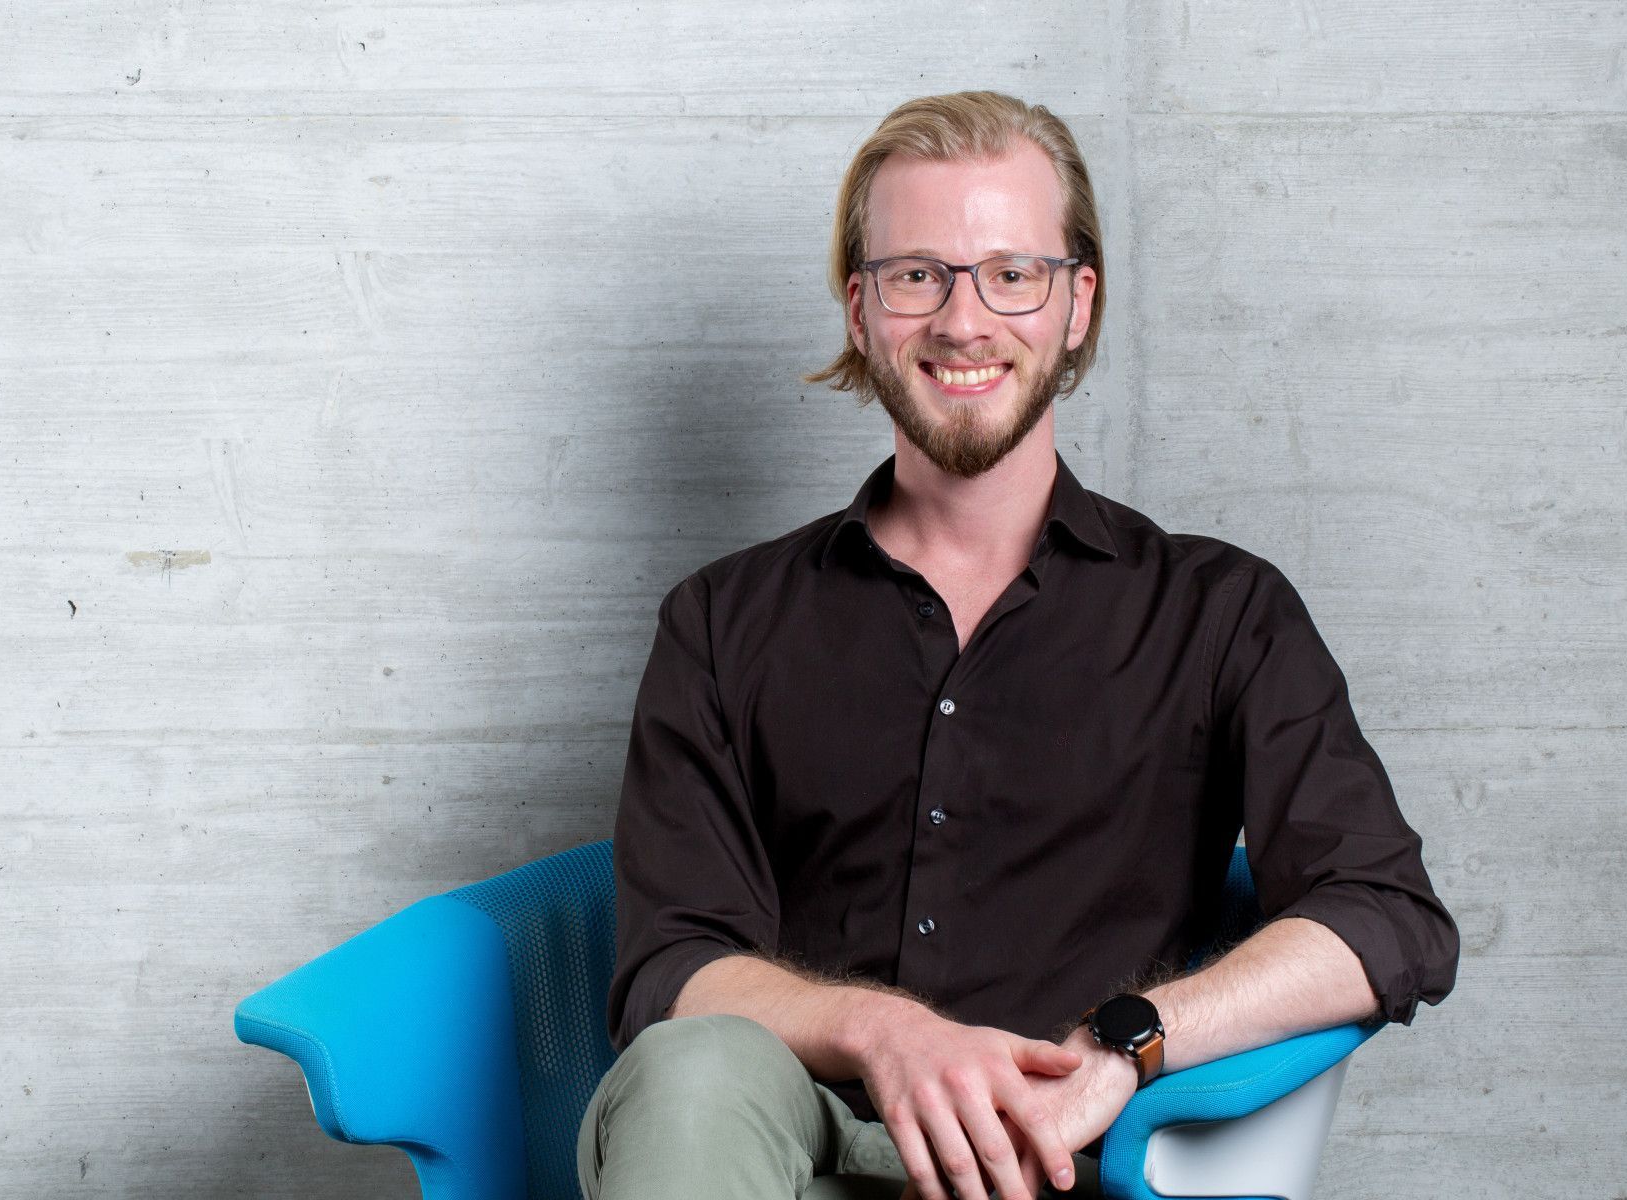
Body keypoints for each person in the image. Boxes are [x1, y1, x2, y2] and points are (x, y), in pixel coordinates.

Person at [576, 90, 1459, 1200]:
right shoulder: (719, 621)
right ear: (860, 309)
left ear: (1076, 303)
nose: (962, 321)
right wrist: (884, 1033)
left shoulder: (1221, 612)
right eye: (916, 275)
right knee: (689, 1069)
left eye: (1011, 273)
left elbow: (1384, 913)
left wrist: (1126, 1042)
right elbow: (673, 969)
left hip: (1054, 1157)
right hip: (784, 1148)